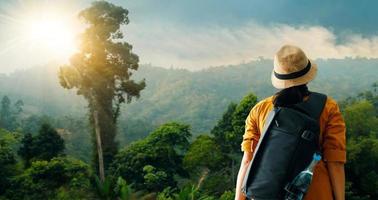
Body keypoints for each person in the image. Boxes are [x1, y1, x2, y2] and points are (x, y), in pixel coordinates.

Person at [235, 45, 346, 200]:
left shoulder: (260, 110)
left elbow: (247, 161)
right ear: (307, 73)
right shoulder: (328, 107)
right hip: (315, 192)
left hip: (268, 193)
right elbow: (335, 162)